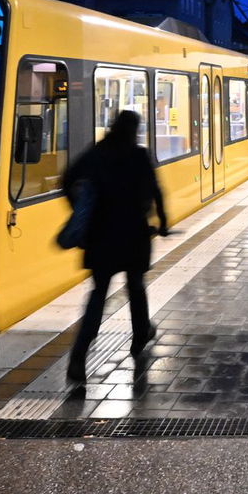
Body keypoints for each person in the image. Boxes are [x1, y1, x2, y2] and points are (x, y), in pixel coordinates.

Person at [61, 110, 169, 385]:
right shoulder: (138, 155)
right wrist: (163, 221)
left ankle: (78, 356)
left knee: (98, 295)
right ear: (134, 130)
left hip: (100, 236)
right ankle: (140, 336)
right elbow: (156, 190)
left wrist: (80, 210)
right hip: (133, 233)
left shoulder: (96, 153)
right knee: (136, 286)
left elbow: (67, 180)